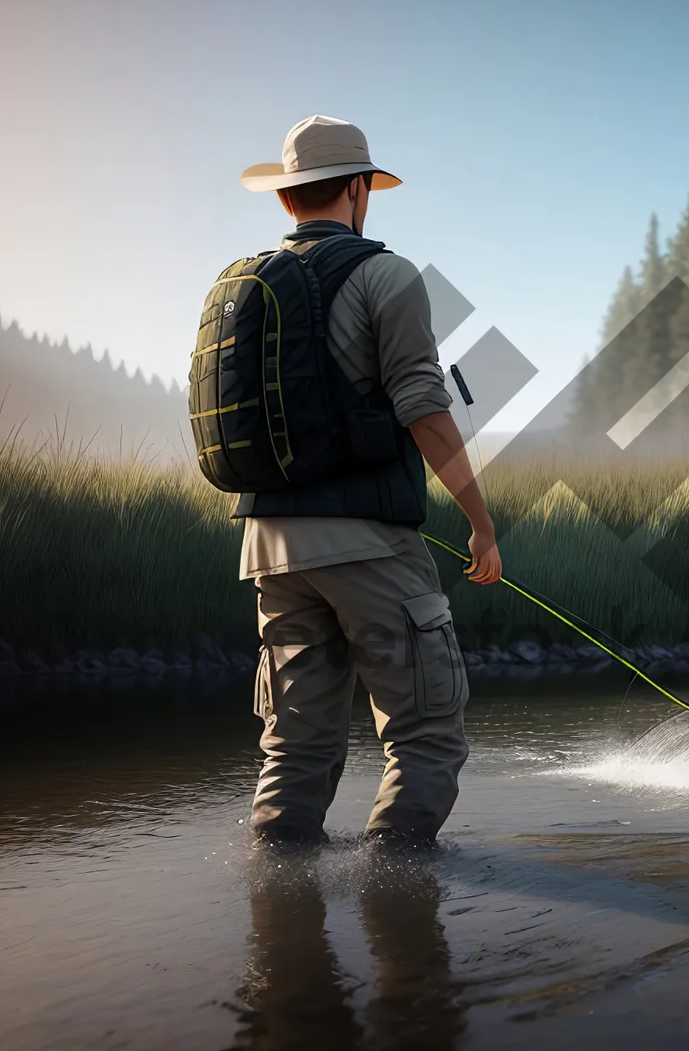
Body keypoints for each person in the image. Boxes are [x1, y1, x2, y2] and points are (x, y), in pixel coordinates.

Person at [236, 114, 501, 847]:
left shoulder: (247, 284)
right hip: (369, 544)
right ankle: (403, 910)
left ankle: (280, 919)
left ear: (287, 197)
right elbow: (424, 407)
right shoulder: (386, 274)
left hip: (269, 549)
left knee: (293, 746)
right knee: (425, 736)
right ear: (358, 189)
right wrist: (480, 524)